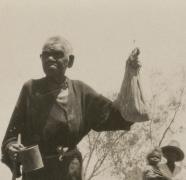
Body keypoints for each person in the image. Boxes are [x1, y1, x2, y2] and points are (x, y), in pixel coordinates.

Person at [1, 36, 142, 180]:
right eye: (45, 55)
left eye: (57, 54)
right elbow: (11, 136)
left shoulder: (81, 91)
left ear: (71, 61)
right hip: (37, 172)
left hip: (70, 171)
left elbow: (116, 115)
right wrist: (11, 147)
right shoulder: (30, 89)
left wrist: (130, 75)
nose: (50, 59)